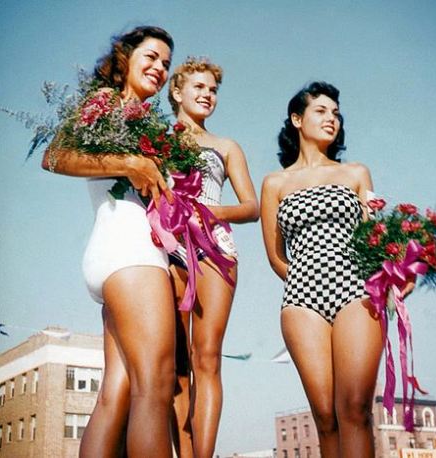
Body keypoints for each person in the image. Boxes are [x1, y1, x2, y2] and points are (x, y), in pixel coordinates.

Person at [42, 26, 177, 458]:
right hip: (129, 250)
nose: (160, 68)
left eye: (166, 64)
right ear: (125, 56)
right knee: (155, 387)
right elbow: (55, 156)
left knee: (115, 395)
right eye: (152, 57)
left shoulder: (150, 123)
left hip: (121, 256)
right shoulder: (106, 103)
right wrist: (131, 162)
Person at [260, 81, 413, 457]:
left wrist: (394, 274)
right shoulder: (274, 183)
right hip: (301, 298)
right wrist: (306, 277)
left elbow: (375, 238)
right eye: (321, 111)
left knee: (355, 410)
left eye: (336, 113)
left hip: (356, 291)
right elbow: (276, 255)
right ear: (297, 119)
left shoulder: (356, 174)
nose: (332, 118)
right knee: (325, 416)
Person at [167, 57, 259, 457]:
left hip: (215, 250)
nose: (207, 95)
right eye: (199, 87)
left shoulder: (225, 146)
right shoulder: (154, 138)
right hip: (166, 246)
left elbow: (252, 207)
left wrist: (208, 213)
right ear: (177, 92)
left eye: (213, 90)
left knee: (206, 358)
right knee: (174, 363)